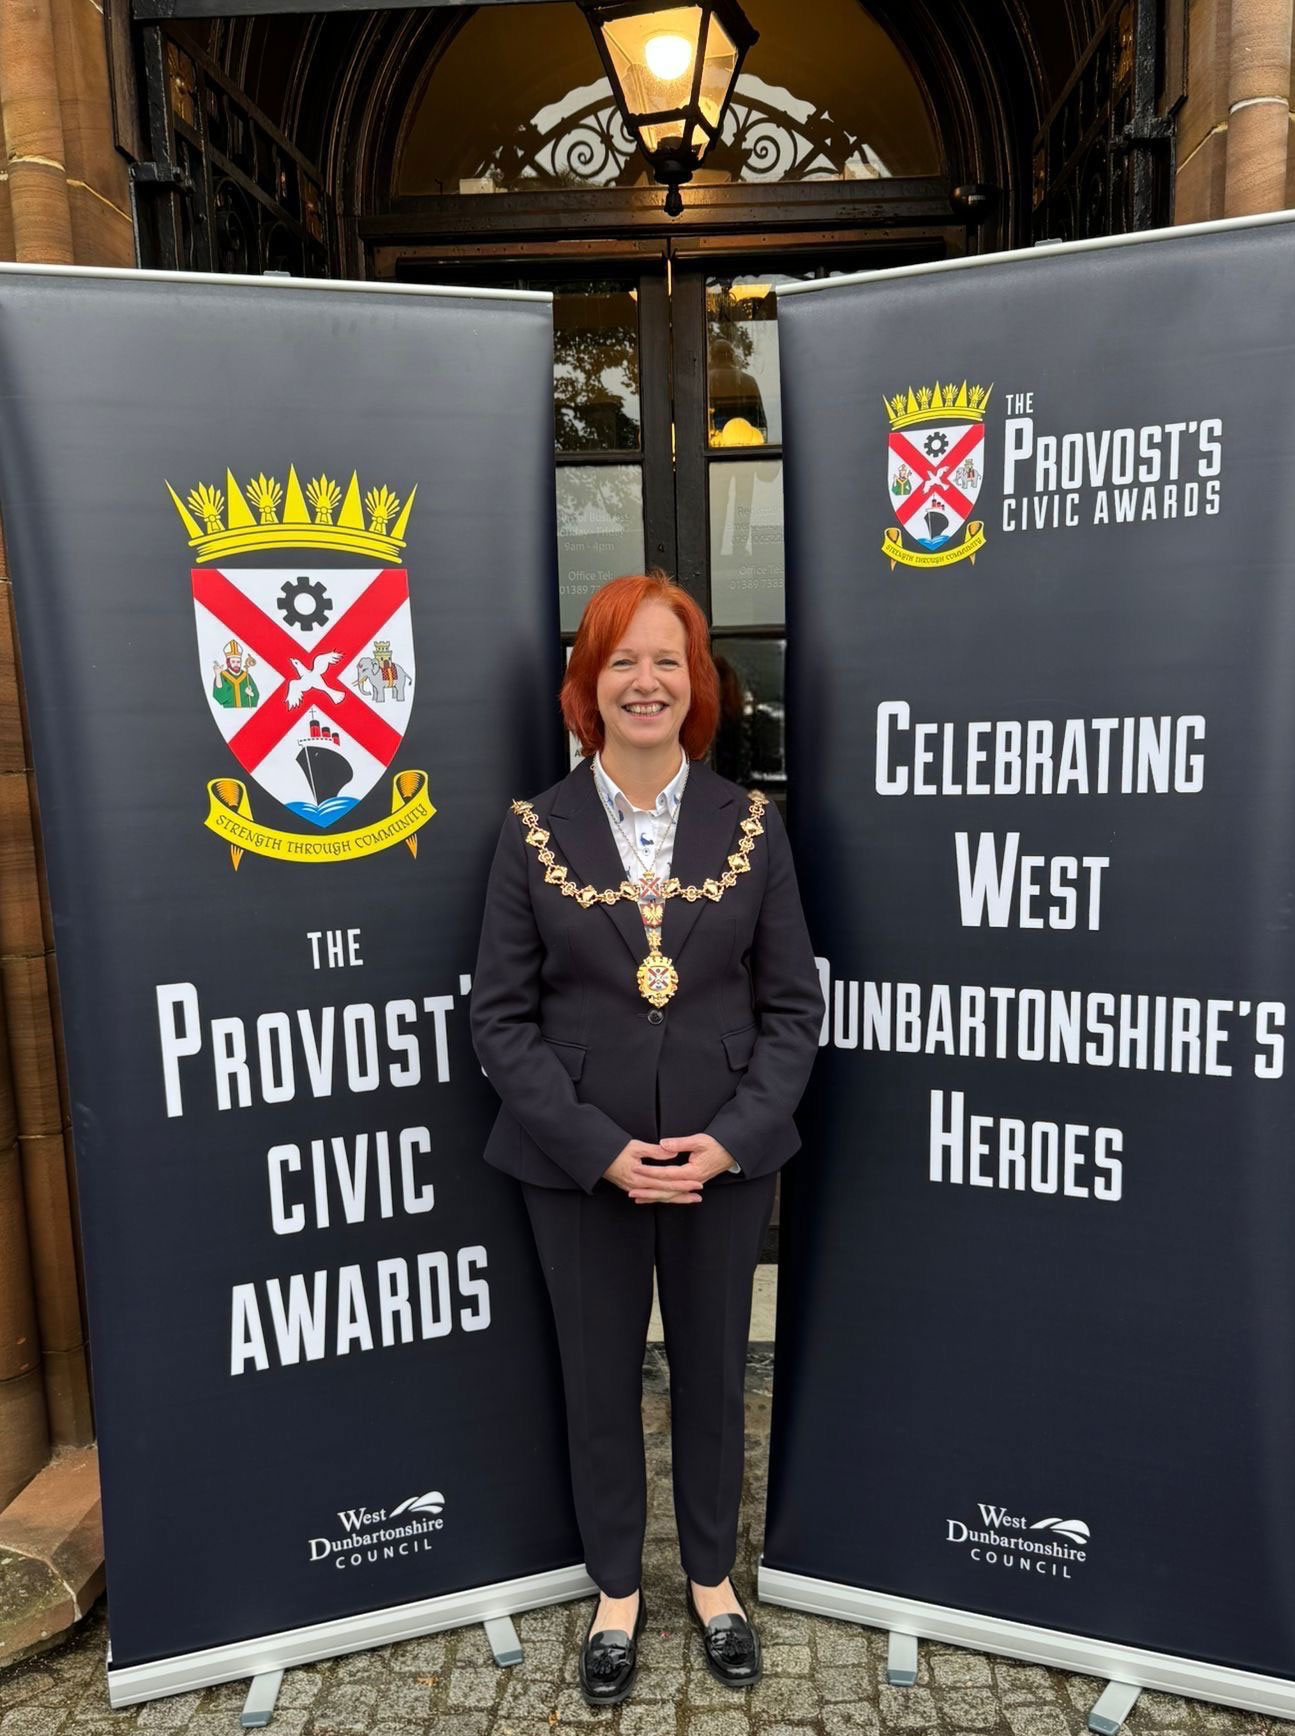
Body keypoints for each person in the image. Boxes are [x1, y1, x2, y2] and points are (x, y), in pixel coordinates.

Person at [470, 574, 823, 1706]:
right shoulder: (533, 831)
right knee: (596, 1379)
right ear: (588, 684)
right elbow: (500, 1019)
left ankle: (713, 1580)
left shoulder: (752, 825)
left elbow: (790, 1010)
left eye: (667, 659)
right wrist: (595, 1147)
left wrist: (730, 1138)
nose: (645, 680)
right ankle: (616, 1588)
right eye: (621, 659)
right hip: (579, 1170)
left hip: (722, 1163)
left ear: (698, 683)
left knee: (715, 1374)